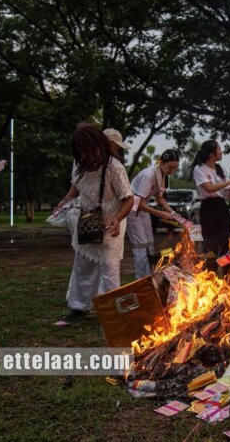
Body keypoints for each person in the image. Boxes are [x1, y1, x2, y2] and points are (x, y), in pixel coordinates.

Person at [61, 123, 133, 319]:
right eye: (81, 152)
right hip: (88, 220)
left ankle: (113, 312)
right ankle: (78, 306)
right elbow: (76, 187)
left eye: (89, 151)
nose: (86, 156)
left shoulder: (114, 168)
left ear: (99, 146)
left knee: (110, 268)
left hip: (111, 223)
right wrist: (65, 201)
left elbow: (129, 199)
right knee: (83, 265)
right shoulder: (79, 165)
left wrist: (117, 219)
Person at [126, 149, 180, 278]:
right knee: (140, 247)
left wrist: (173, 213)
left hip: (143, 210)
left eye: (175, 168)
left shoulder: (162, 175)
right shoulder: (148, 176)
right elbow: (138, 203)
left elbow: (160, 199)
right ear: (161, 162)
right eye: (170, 167)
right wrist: (161, 214)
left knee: (149, 244)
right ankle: (141, 278)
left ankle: (150, 275)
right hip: (132, 210)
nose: (172, 171)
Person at [189, 140, 230, 264]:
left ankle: (228, 274)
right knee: (210, 243)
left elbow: (226, 191)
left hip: (222, 206)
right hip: (208, 208)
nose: (221, 152)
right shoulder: (199, 169)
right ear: (212, 153)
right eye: (219, 149)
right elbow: (209, 188)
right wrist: (229, 183)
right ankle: (210, 274)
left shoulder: (221, 169)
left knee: (227, 241)